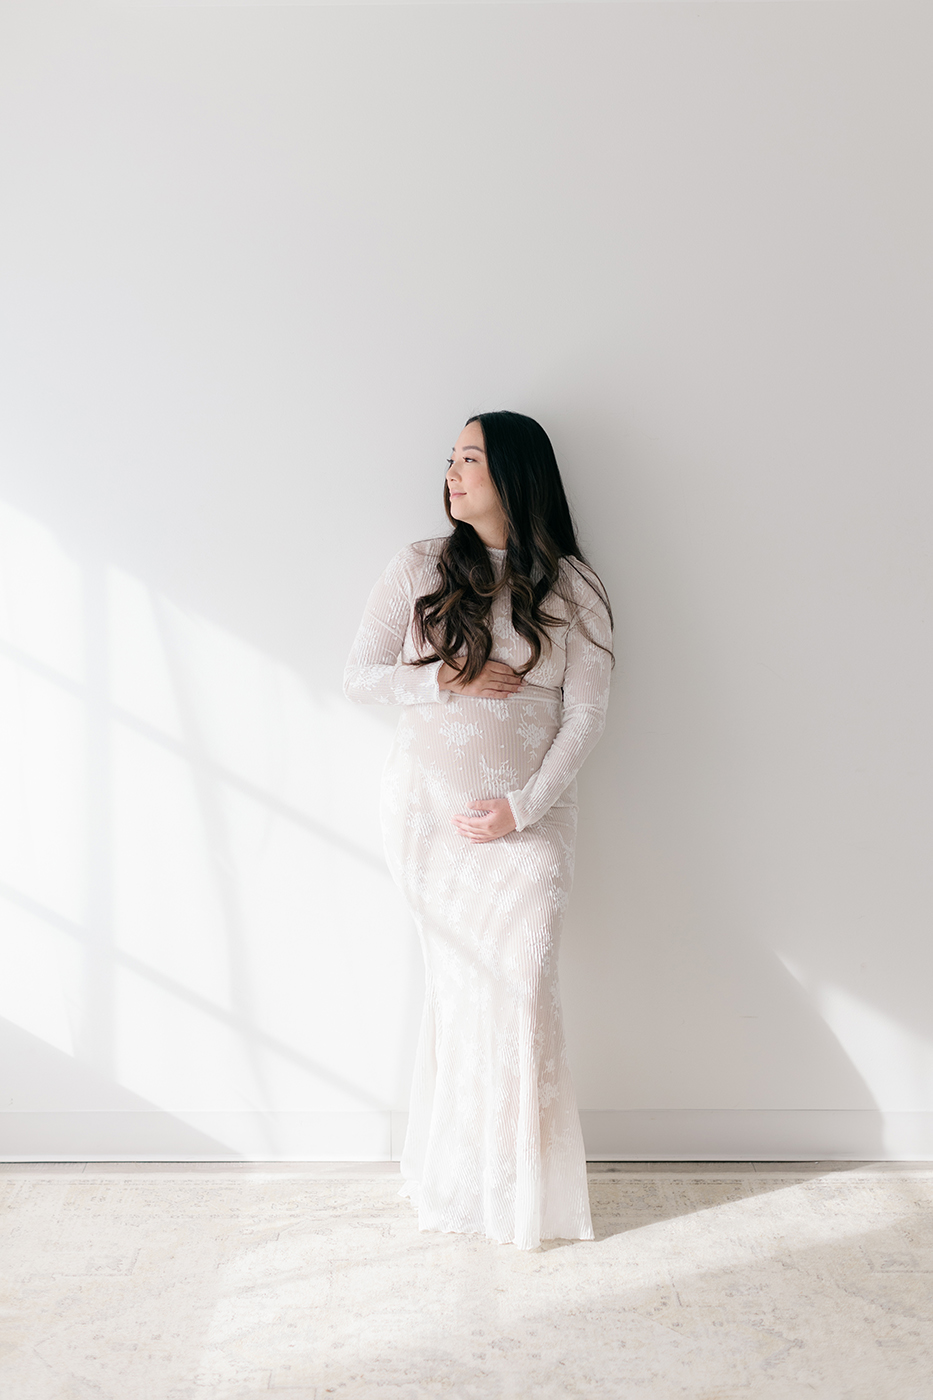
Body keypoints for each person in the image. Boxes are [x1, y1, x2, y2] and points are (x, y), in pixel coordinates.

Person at [344, 410, 613, 1250]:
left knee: (523, 986)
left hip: (529, 822)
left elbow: (589, 713)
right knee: (461, 993)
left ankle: (522, 1190)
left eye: (470, 460)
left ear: (516, 474)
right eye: (450, 460)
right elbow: (359, 675)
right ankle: (461, 1181)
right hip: (429, 817)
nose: (452, 474)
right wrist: (447, 678)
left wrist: (521, 808)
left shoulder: (573, 585)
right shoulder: (419, 566)